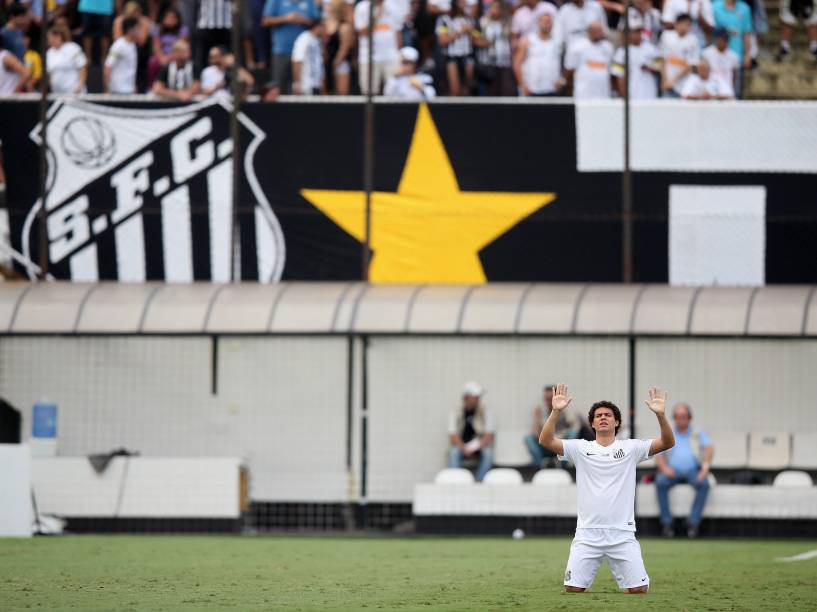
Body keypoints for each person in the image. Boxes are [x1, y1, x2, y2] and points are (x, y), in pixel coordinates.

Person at [539, 384, 675, 594]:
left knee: (639, 590)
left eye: (608, 415)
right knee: (573, 589)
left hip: (622, 534)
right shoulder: (580, 448)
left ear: (617, 421)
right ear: (592, 423)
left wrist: (661, 415)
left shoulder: (631, 448)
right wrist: (556, 411)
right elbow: (545, 440)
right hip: (587, 534)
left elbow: (667, 441)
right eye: (598, 415)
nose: (603, 417)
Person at [654, 403, 713, 537]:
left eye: (683, 416)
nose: (680, 419)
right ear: (673, 418)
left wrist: (704, 469)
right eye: (677, 416)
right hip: (672, 471)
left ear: (689, 418)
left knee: (704, 484)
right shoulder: (668, 432)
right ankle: (667, 523)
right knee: (660, 482)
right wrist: (664, 469)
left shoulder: (697, 433)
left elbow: (709, 448)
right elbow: (658, 454)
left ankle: (693, 522)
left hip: (693, 471)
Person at [262, 0, 320, 94]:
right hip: (281, 51)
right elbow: (265, 21)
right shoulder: (275, 1)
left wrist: (303, 20)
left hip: (304, 55)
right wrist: (286, 18)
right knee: (278, 87)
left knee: (302, 88)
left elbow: (317, 23)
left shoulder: (309, 2)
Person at [524, 385, 581, 468]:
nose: (548, 401)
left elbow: (575, 427)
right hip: (545, 443)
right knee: (528, 438)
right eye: (546, 399)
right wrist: (536, 419)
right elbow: (535, 434)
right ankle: (540, 467)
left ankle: (564, 466)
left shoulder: (565, 409)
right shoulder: (541, 411)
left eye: (550, 398)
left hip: (561, 444)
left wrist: (559, 437)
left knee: (573, 433)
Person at [448, 381, 494, 482]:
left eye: (478, 397)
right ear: (466, 397)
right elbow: (452, 434)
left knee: (489, 453)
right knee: (453, 452)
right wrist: (464, 448)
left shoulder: (485, 410)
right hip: (461, 445)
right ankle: (457, 482)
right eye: (475, 396)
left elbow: (488, 434)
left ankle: (477, 483)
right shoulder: (456, 411)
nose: (478, 399)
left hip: (479, 446)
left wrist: (476, 447)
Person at [611, 15, 660, 98]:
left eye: (638, 31)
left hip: (650, 92)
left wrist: (650, 67)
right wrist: (624, 95)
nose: (637, 34)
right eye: (634, 31)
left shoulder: (651, 48)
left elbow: (660, 67)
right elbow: (618, 76)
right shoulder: (621, 52)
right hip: (632, 94)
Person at [513, 13, 562, 96]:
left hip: (551, 89)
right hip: (531, 89)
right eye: (544, 21)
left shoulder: (557, 42)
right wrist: (522, 85)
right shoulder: (527, 41)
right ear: (538, 23)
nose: (547, 23)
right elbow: (517, 64)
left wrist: (561, 81)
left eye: (549, 21)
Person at [564, 20, 614, 98]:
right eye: (598, 31)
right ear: (590, 31)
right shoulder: (578, 46)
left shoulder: (608, 47)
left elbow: (611, 69)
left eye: (601, 31)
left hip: (603, 93)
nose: (601, 34)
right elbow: (570, 70)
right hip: (584, 93)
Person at [436, 0, 476, 95]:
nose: (464, 4)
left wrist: (472, 33)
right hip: (452, 58)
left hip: (467, 57)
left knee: (467, 90)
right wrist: (460, 31)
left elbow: (476, 37)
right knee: (455, 91)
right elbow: (442, 41)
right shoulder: (444, 19)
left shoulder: (469, 19)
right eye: (461, 2)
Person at [475, 0, 514, 96]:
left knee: (507, 90)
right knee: (491, 91)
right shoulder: (482, 22)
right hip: (488, 63)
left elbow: (511, 39)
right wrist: (487, 42)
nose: (495, 10)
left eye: (498, 7)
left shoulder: (506, 22)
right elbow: (475, 40)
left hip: (504, 62)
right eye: (493, 7)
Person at [711, 0, 751, 95]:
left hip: (736, 54)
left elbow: (746, 33)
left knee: (735, 89)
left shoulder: (744, 8)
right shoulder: (714, 6)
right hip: (717, 56)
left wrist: (747, 54)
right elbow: (710, 30)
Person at [659, 12, 699, 97]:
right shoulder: (666, 36)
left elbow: (691, 65)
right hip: (667, 84)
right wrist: (664, 80)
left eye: (687, 24)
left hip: (684, 85)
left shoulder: (693, 40)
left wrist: (673, 80)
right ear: (676, 24)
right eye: (682, 23)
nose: (684, 27)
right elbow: (662, 60)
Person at [147, 7, 189, 88]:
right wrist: (162, 57)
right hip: (162, 55)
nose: (171, 20)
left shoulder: (183, 30)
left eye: (173, 18)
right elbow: (156, 47)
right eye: (168, 17)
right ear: (163, 18)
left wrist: (170, 57)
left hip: (176, 55)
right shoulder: (158, 29)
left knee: (178, 61)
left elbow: (181, 47)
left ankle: (176, 86)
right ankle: (151, 86)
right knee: (152, 62)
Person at [46, 25, 88, 94]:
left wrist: (80, 85)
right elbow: (49, 74)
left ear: (61, 36)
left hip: (74, 91)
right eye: (51, 37)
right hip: (57, 93)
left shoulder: (73, 47)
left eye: (55, 36)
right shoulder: (49, 53)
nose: (53, 39)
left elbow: (82, 67)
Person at [324, 0, 354, 95]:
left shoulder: (344, 26)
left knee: (341, 92)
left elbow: (344, 47)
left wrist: (335, 63)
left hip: (339, 62)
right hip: (326, 61)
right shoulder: (326, 23)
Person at [104, 15, 138, 94]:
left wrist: (133, 86)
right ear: (130, 30)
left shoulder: (133, 45)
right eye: (137, 28)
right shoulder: (118, 45)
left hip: (129, 90)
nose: (139, 31)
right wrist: (107, 89)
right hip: (116, 90)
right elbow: (108, 66)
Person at [291, 19, 324, 95]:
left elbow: (319, 65)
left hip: (316, 84)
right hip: (305, 85)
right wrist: (297, 83)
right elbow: (297, 61)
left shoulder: (317, 40)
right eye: (323, 27)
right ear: (317, 27)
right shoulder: (304, 38)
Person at [77, 0, 117, 64]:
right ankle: (88, 58)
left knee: (105, 34)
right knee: (87, 33)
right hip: (87, 6)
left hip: (105, 7)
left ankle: (104, 59)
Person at [702, 26, 738, 91]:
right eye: (720, 39)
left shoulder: (733, 56)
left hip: (726, 89)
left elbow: (734, 76)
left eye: (725, 39)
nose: (722, 41)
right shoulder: (707, 53)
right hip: (710, 89)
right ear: (716, 39)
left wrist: (731, 89)